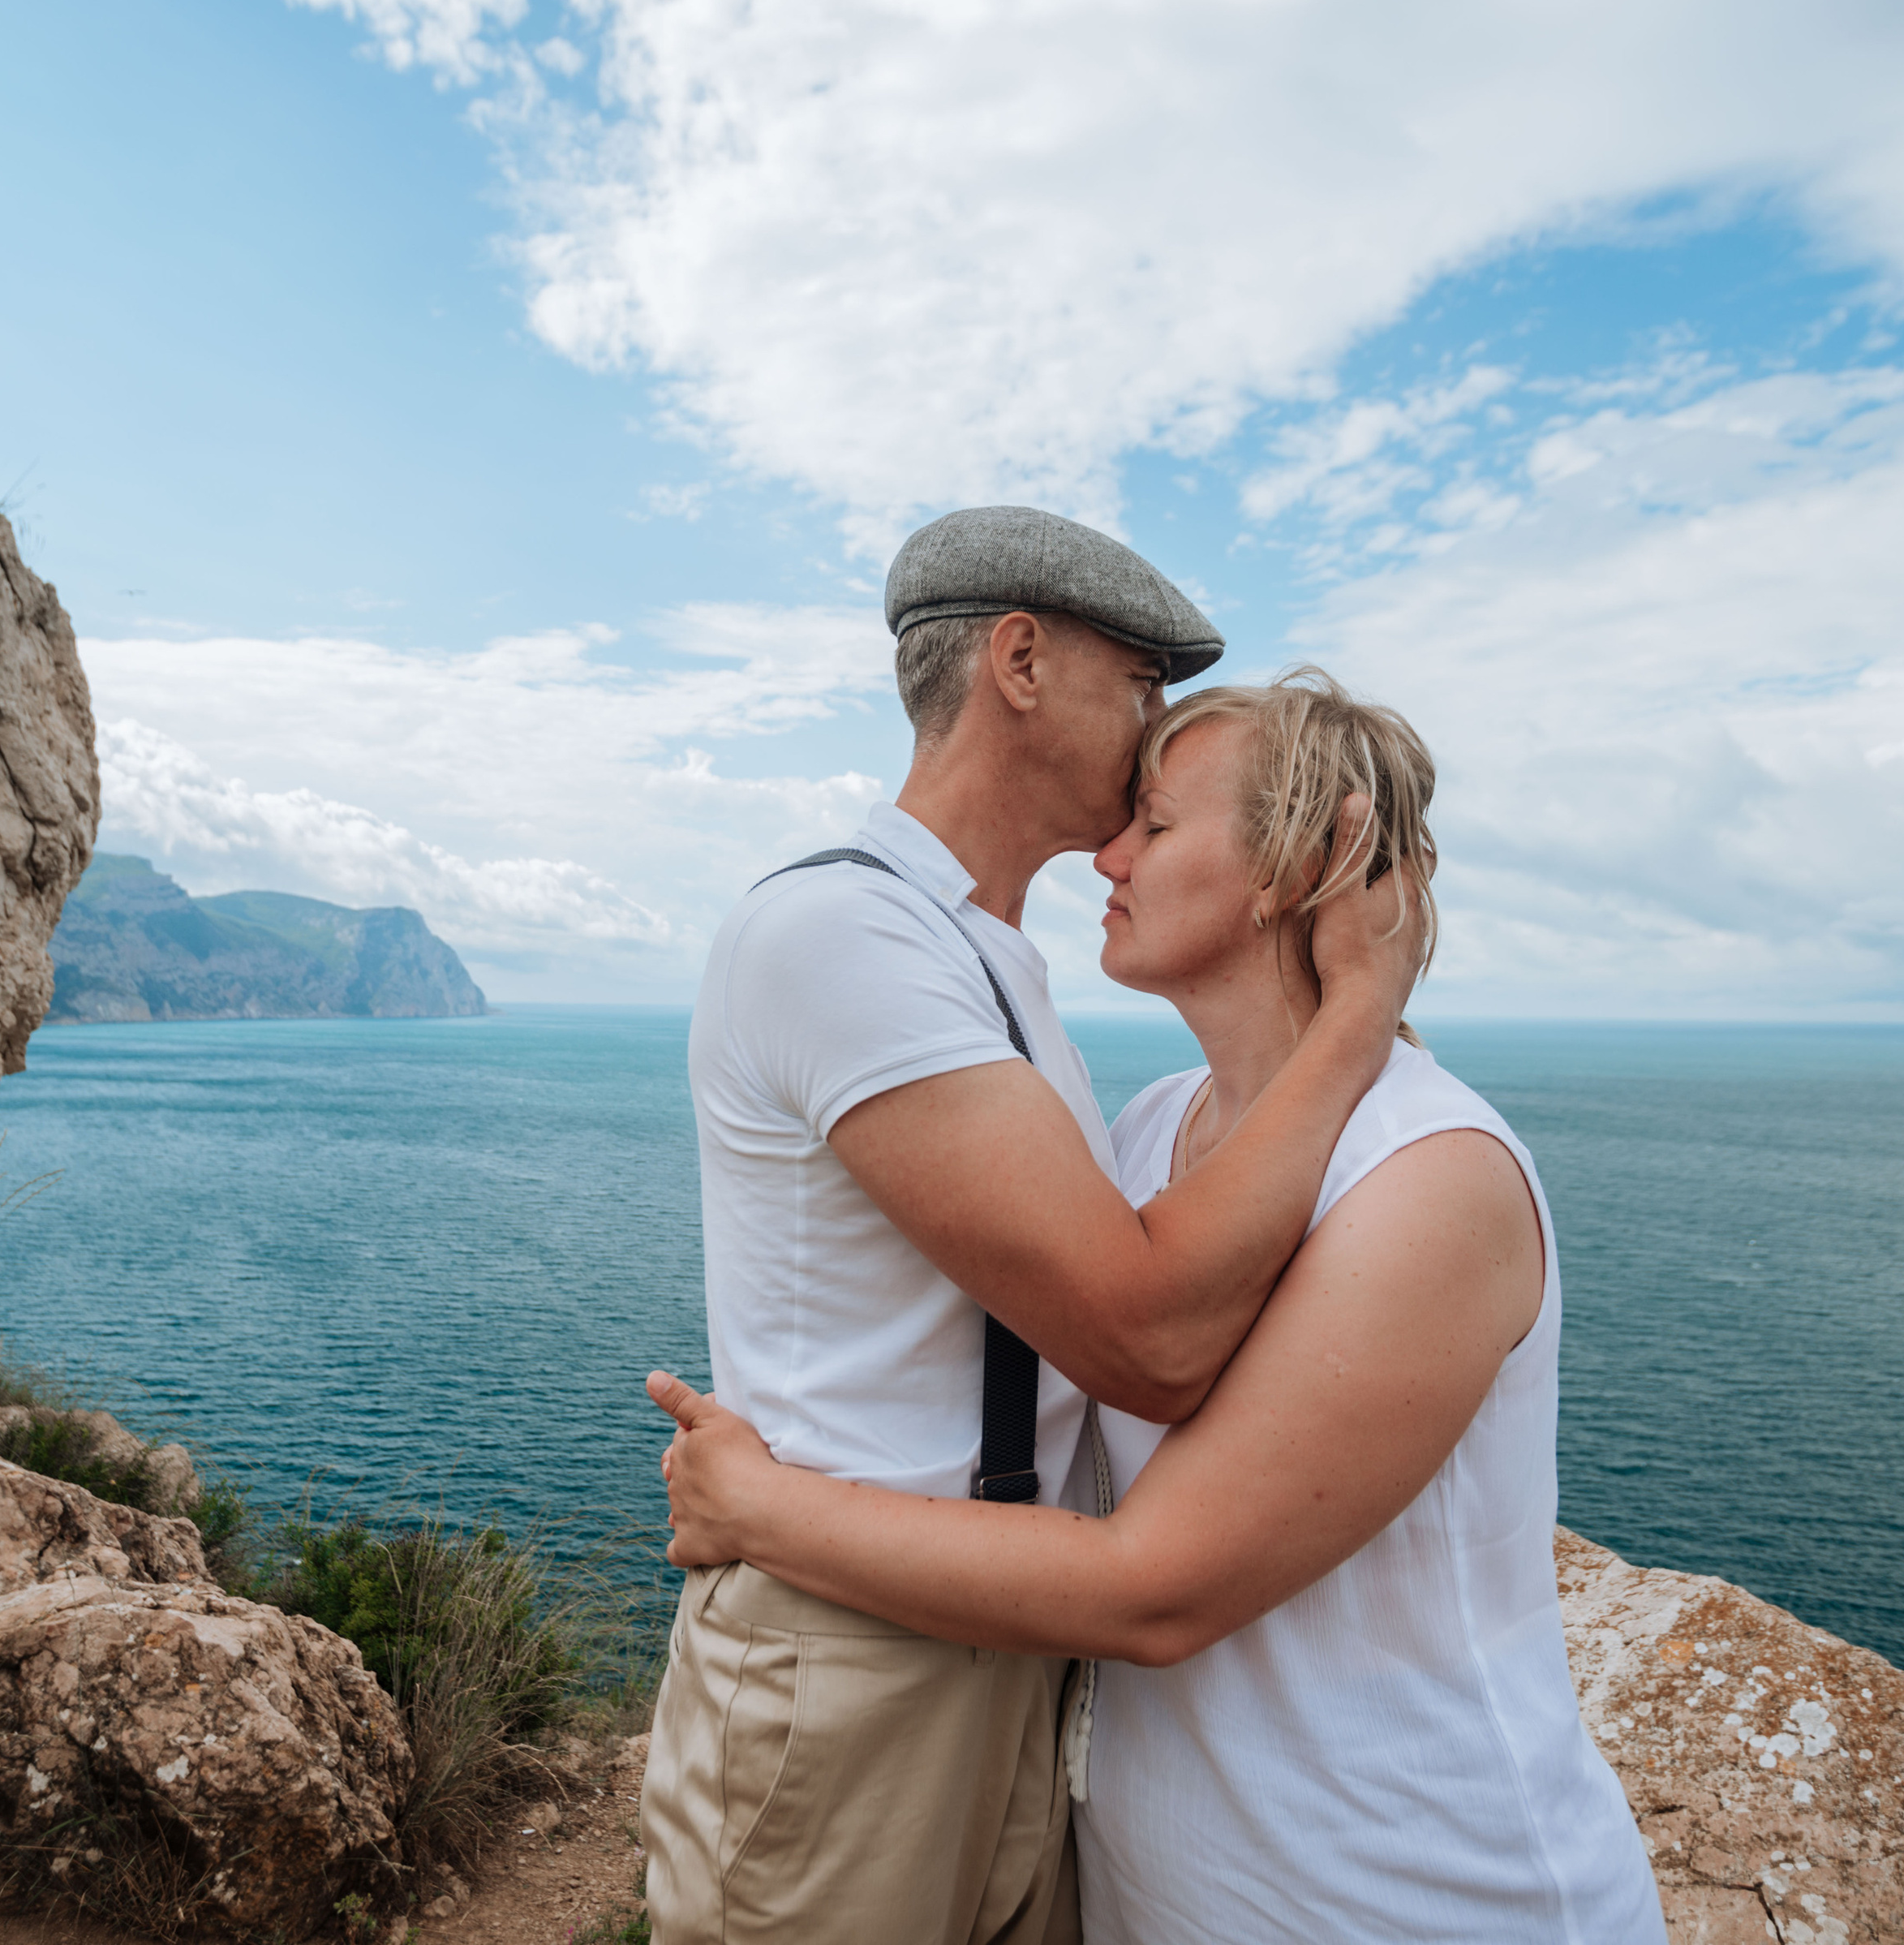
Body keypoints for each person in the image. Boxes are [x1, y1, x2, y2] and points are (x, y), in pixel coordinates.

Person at [650, 666, 1668, 1945]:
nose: (1108, 856)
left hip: (1415, 1894)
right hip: (1170, 1897)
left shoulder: (1433, 1180)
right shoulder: (1145, 1137)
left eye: (1159, 824)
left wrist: (768, 1507)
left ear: (1308, 859)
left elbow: (1153, 1587)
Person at [641, 513, 1428, 1945]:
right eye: (1140, 688)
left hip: (1005, 1629)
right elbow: (1150, 1332)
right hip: (856, 1654)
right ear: (1019, 661)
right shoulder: (845, 936)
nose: (1155, 733)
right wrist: (1359, 1016)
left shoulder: (987, 961)